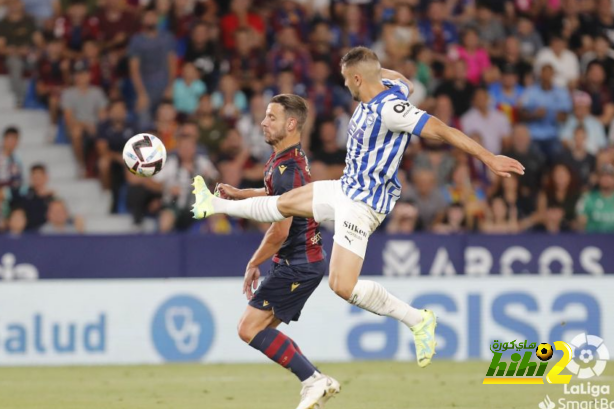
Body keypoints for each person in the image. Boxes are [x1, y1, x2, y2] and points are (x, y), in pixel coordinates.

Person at [191, 46, 524, 369]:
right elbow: (401, 79)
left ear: (357, 79)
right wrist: (374, 69)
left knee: (341, 286)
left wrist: (488, 157)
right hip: (345, 190)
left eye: (347, 78)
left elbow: (440, 129)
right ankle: (214, 204)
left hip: (363, 204)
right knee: (284, 204)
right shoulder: (390, 86)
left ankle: (418, 320)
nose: (345, 84)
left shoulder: (391, 109)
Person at [214, 94, 337, 409]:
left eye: (271, 117)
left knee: (248, 328)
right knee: (262, 328)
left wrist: (254, 262)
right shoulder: (287, 160)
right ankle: (316, 378)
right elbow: (275, 195)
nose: (263, 122)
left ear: (291, 123)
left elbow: (279, 230)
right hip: (302, 261)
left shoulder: (287, 168)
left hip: (298, 263)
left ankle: (312, 379)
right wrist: (242, 194)